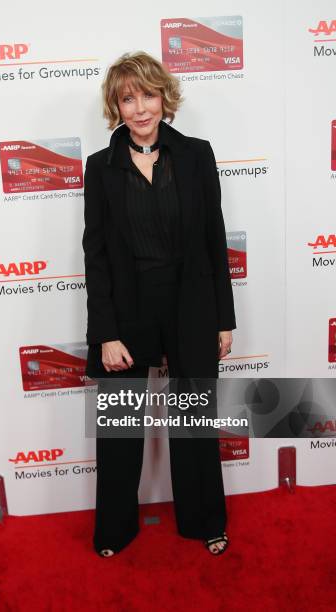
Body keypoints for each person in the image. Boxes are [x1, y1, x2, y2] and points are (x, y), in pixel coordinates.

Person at [82, 51, 236, 558]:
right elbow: (97, 255)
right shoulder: (100, 168)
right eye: (129, 98)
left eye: (148, 95)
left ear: (163, 97)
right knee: (120, 427)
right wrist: (105, 331)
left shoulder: (196, 155)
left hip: (190, 307)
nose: (141, 108)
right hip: (127, 313)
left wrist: (222, 319)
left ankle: (204, 520)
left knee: (194, 422)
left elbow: (215, 241)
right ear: (117, 106)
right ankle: (115, 530)